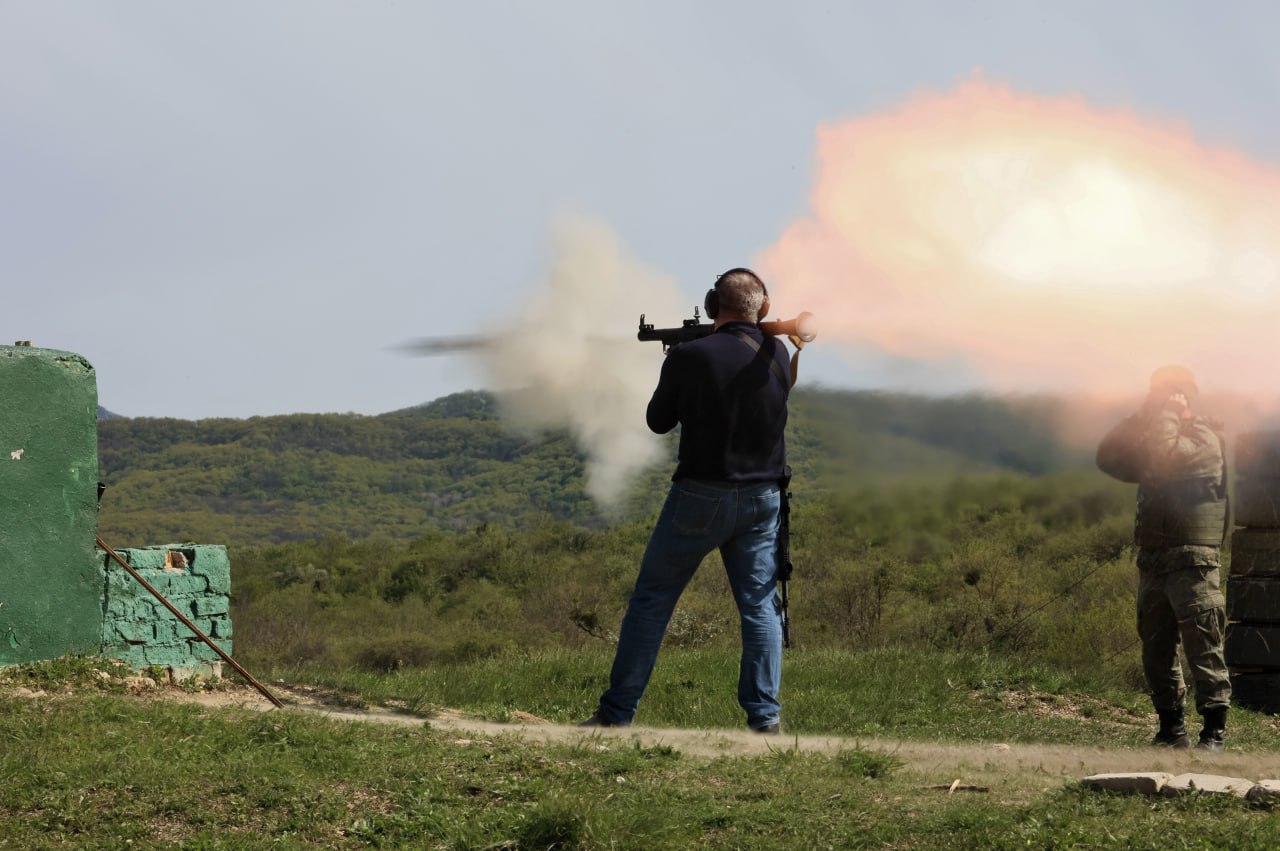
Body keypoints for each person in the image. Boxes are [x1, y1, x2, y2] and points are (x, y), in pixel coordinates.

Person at [581, 267, 792, 734]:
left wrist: (678, 359)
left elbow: (659, 421)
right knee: (759, 608)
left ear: (714, 305)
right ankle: (765, 720)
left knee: (652, 602)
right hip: (762, 498)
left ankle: (616, 715)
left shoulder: (690, 356)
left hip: (700, 494)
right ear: (764, 307)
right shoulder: (778, 351)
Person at [1096, 365, 1231, 751]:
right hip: (1154, 562)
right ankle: (1171, 729)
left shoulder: (1203, 438)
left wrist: (1169, 414)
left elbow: (1168, 457)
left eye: (1169, 394)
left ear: (1185, 397)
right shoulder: (1156, 437)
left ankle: (1213, 733)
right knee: (1156, 649)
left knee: (1203, 646)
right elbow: (1108, 458)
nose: (1161, 402)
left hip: (1193, 562)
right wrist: (1141, 416)